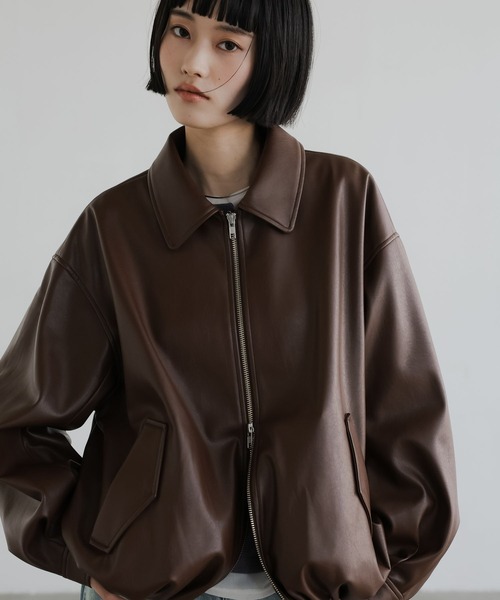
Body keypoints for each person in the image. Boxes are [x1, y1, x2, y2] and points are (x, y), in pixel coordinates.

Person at [0, 0, 459, 599]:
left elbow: (409, 413)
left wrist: (386, 578)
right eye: (180, 30)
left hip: (320, 586)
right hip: (150, 586)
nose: (192, 62)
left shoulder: (345, 203)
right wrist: (89, 560)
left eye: (227, 43)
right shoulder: (114, 228)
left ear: (275, 58)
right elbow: (17, 422)